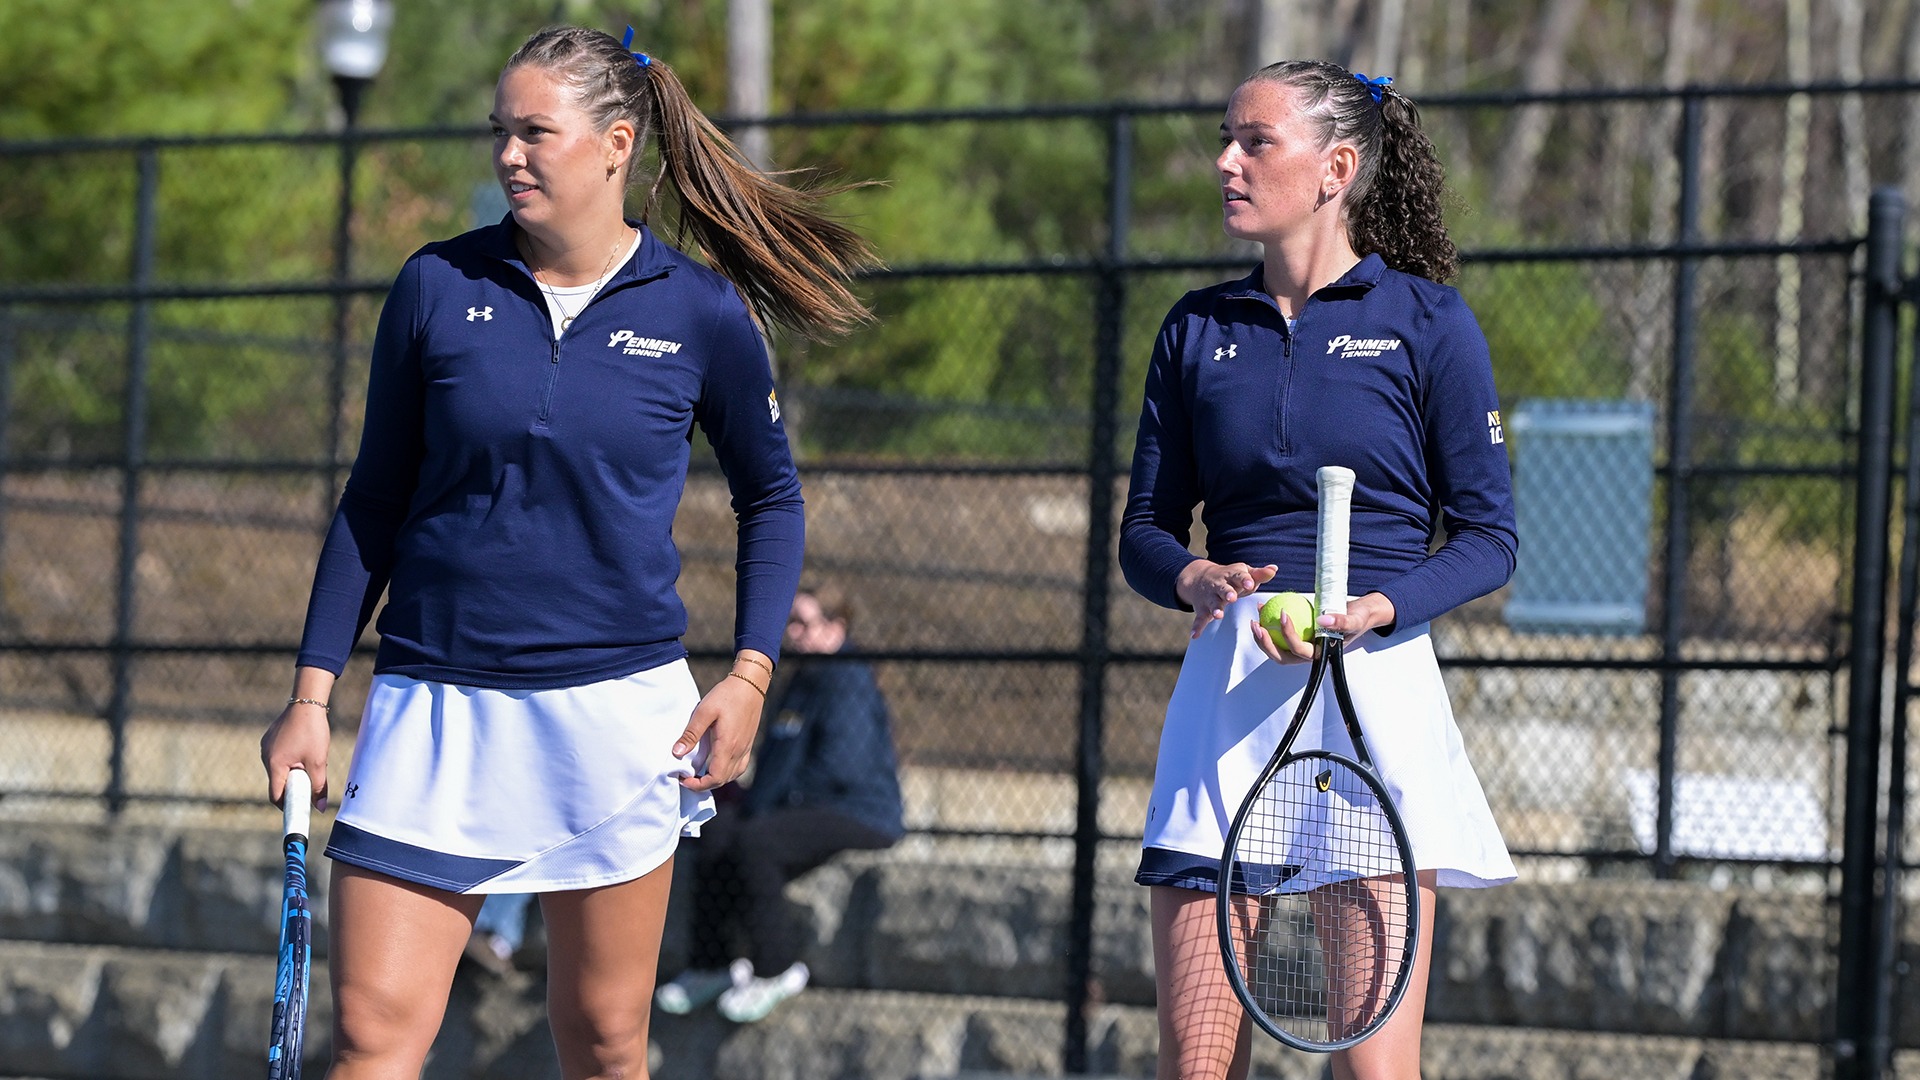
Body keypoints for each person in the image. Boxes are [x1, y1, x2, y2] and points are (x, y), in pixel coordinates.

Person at [259, 24, 874, 1079]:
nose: (508, 155)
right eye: (501, 131)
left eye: (534, 132)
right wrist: (312, 695)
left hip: (613, 721)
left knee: (601, 1046)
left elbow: (771, 495)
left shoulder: (701, 311)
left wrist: (751, 677)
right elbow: (373, 500)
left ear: (616, 143)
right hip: (431, 712)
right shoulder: (433, 286)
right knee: (369, 1042)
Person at [1118, 62, 1518, 1080]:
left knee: (1375, 1072)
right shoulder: (1195, 328)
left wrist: (1383, 606)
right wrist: (1192, 580)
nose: (1226, 161)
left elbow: (1488, 537)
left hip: (1375, 707)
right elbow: (1147, 533)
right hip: (1228, 700)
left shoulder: (1431, 325)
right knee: (1196, 1071)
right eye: (1226, 137)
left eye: (1256, 142)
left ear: (1337, 167)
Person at [654, 582, 905, 1023]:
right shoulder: (799, 681)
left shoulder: (847, 679)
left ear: (835, 628)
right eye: (791, 623)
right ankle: (710, 965)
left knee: (757, 843)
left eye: (805, 623)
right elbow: (775, 760)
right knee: (716, 830)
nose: (793, 633)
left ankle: (777, 969)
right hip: (800, 804)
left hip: (858, 812)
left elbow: (840, 768)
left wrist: (771, 808)